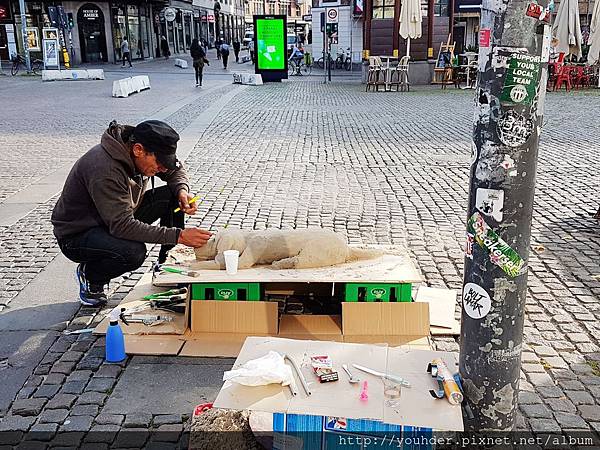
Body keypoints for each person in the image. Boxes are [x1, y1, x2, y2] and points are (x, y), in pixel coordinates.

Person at [51, 120, 212, 307]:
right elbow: (122, 225)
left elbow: (176, 170)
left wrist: (182, 191)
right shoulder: (104, 168)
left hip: (115, 215)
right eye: (159, 163)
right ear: (138, 150)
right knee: (132, 252)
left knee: (172, 195)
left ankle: (168, 266)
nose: (162, 169)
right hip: (80, 233)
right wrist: (180, 236)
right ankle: (91, 275)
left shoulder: (141, 151)